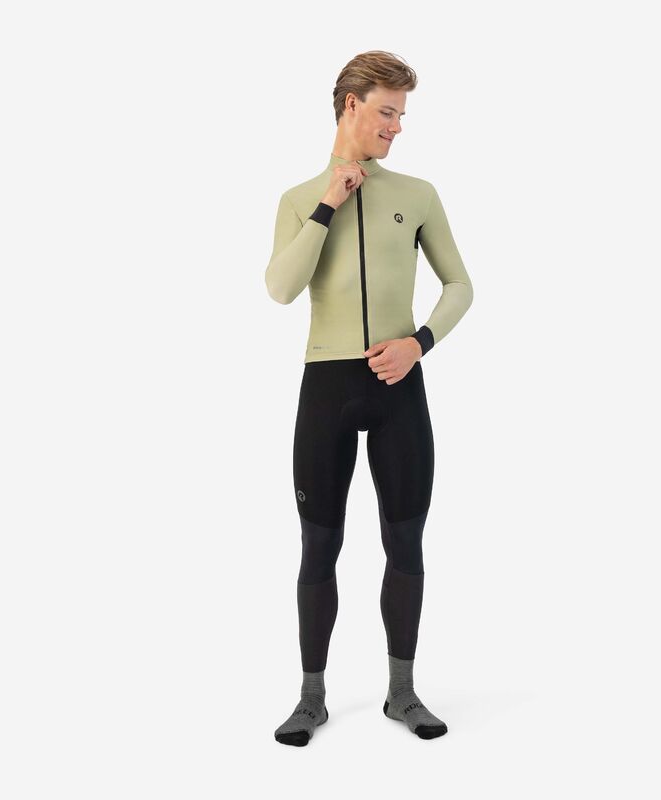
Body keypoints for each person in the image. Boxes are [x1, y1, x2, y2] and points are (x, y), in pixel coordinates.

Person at [265, 50, 474, 746]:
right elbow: (280, 288)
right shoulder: (300, 198)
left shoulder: (418, 194)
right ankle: (311, 699)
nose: (397, 126)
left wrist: (419, 342)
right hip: (327, 388)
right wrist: (330, 201)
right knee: (318, 545)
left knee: (405, 538)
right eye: (388, 111)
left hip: (398, 389)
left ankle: (403, 693)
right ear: (351, 105)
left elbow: (460, 285)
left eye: (402, 114)